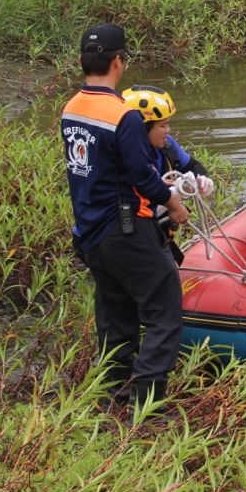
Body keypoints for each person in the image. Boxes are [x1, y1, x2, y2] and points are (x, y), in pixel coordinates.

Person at [61, 23, 189, 412]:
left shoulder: (71, 109)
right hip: (125, 227)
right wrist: (174, 202)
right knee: (164, 308)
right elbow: (139, 175)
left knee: (115, 314)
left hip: (90, 231)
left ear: (84, 61)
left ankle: (114, 390)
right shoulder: (123, 115)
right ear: (118, 62)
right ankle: (146, 401)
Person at [122, 85, 214, 264]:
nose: (168, 131)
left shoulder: (166, 146)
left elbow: (193, 165)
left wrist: (202, 179)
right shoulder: (125, 161)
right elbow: (127, 218)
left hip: (156, 229)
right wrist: (172, 199)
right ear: (140, 129)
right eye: (163, 125)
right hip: (131, 236)